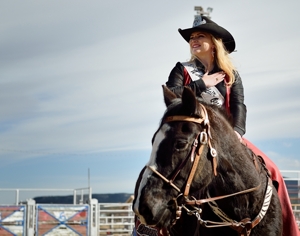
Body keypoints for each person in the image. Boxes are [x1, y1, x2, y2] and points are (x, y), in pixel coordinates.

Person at [164, 14, 299, 236]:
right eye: (192, 37)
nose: (194, 40)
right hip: (191, 137)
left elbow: (239, 105)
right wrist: (201, 84)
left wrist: (237, 132)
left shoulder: (230, 74)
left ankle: (289, 230)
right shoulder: (182, 69)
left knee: (273, 170)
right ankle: (151, 227)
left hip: (227, 136)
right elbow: (172, 94)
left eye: (200, 36)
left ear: (214, 42)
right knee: (161, 174)